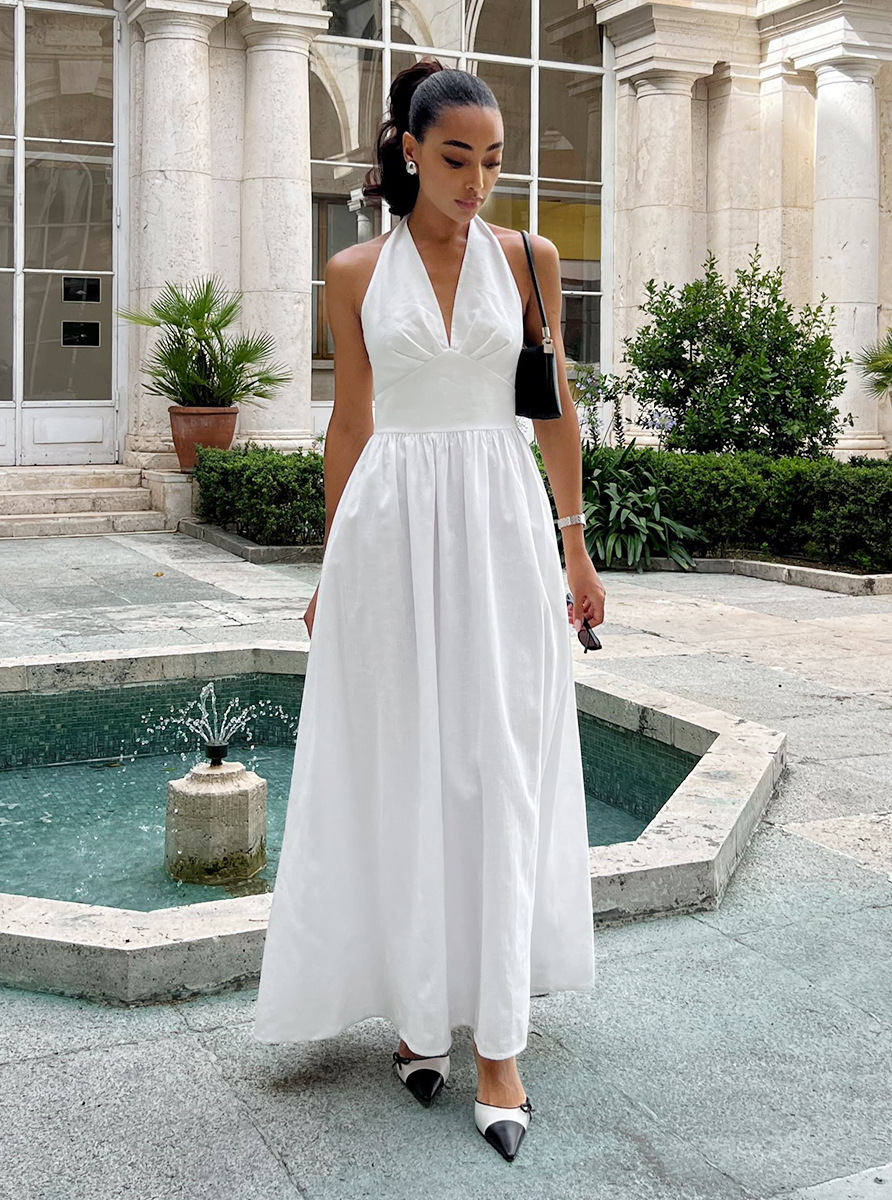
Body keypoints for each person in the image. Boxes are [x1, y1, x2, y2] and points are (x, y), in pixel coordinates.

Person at [253, 58, 606, 1163]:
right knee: (404, 762)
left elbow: (553, 411)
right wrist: (331, 568)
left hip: (502, 527)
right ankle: (417, 1014)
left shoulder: (530, 261)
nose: (477, 181)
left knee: (498, 764)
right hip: (388, 536)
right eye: (457, 158)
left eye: (493, 161)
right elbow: (350, 426)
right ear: (410, 151)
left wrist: (576, 545)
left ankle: (499, 1048)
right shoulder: (354, 271)